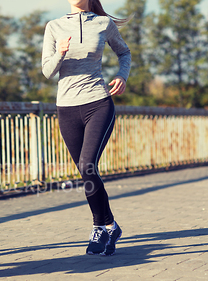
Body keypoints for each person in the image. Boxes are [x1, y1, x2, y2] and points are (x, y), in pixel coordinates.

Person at [42, 0, 131, 255]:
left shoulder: (104, 24)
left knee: (86, 164)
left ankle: (98, 227)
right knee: (87, 172)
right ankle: (111, 225)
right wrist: (59, 52)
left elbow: (124, 52)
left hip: (98, 103)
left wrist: (122, 75)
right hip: (67, 108)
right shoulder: (54, 26)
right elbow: (47, 71)